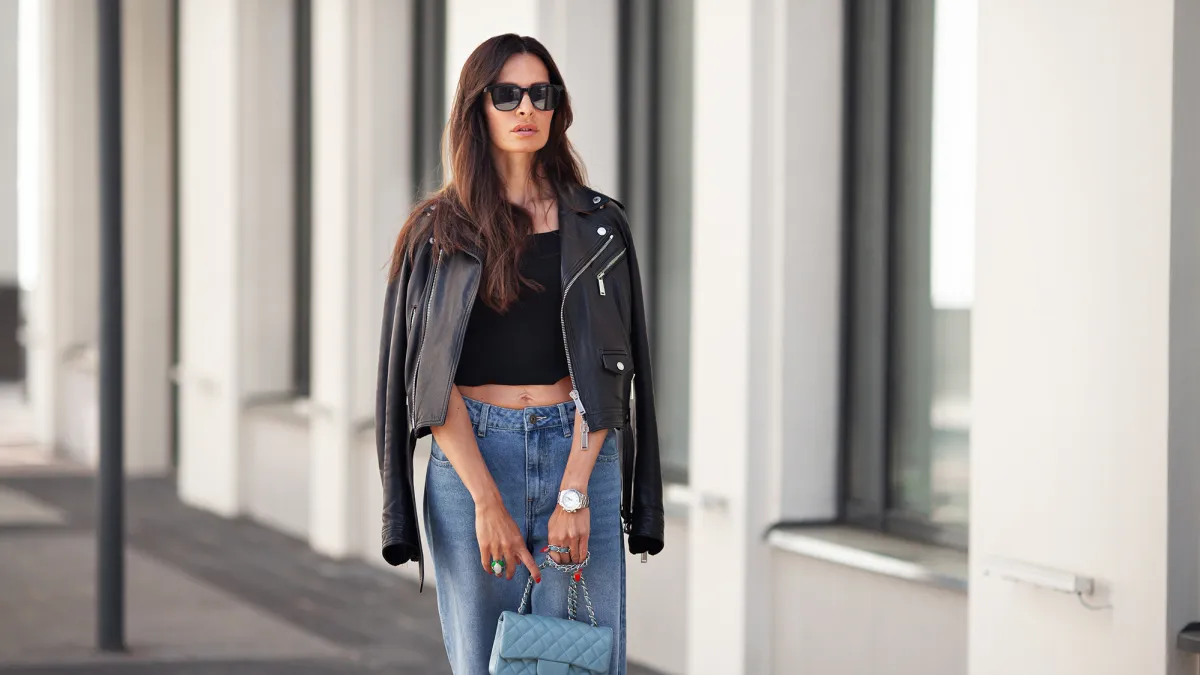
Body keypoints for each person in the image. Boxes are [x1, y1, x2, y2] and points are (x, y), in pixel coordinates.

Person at [374, 33, 664, 674]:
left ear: (557, 107)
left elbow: (611, 371)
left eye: (540, 93)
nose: (526, 107)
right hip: (473, 459)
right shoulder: (437, 232)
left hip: (578, 453)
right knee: (485, 664)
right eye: (506, 94)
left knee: (577, 663)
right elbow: (431, 382)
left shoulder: (599, 225)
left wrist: (575, 494)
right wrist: (486, 502)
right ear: (477, 108)